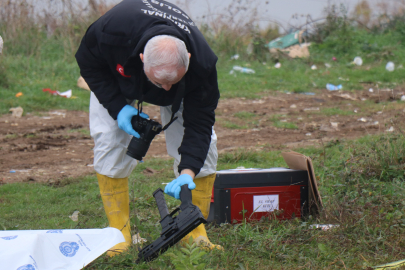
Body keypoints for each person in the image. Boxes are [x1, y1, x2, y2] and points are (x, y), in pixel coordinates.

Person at [75, 0, 221, 257]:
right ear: (142, 58)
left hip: (183, 83)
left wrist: (188, 172)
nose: (165, 89)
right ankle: (118, 233)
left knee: (207, 147)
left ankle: (194, 233)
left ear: (187, 58)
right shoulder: (111, 34)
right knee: (108, 139)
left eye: (172, 82)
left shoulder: (202, 63)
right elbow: (88, 65)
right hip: (121, 75)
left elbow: (199, 124)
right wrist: (117, 107)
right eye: (158, 82)